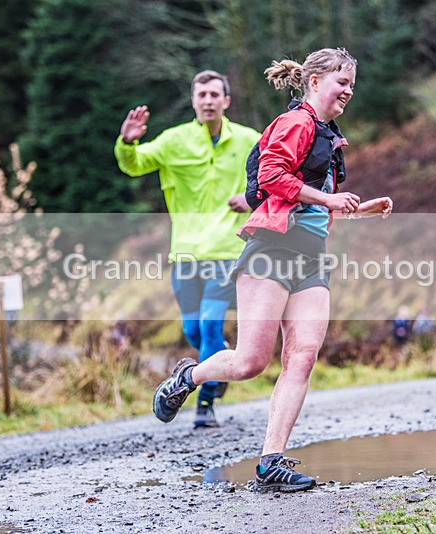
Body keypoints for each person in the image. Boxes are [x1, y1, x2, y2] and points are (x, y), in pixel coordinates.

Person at [151, 48, 393, 492]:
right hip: (271, 251)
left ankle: (271, 462)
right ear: (315, 81)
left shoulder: (328, 135)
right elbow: (270, 178)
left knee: (302, 356)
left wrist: (358, 209)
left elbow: (312, 204)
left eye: (352, 85)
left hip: (311, 257)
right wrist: (329, 198)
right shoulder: (295, 122)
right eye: (342, 82)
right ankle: (189, 376)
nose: (348, 91)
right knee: (250, 362)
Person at [115, 71, 260, 428]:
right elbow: (134, 165)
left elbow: (275, 174)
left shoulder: (249, 140)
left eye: (215, 94)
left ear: (226, 101)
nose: (208, 101)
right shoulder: (173, 140)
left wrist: (251, 197)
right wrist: (127, 142)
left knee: (209, 324)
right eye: (202, 95)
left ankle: (205, 405)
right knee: (193, 330)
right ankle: (219, 363)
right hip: (185, 251)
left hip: (228, 249)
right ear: (193, 100)